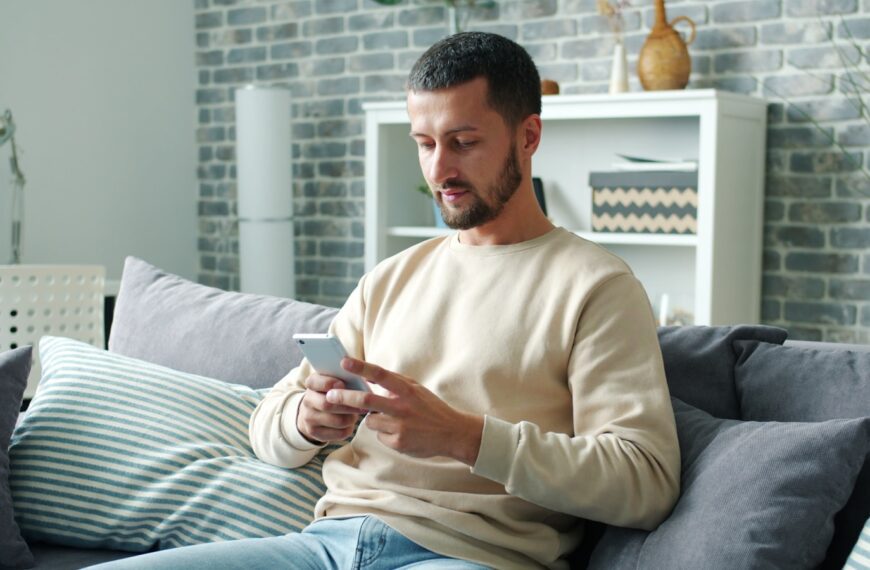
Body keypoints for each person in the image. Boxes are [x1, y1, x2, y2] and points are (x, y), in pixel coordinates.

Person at [90, 31, 679, 570]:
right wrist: (307, 420)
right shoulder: (391, 278)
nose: (438, 169)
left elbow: (644, 483)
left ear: (528, 136)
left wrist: (463, 437)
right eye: (423, 144)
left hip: (468, 555)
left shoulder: (596, 287)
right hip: (321, 545)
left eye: (463, 142)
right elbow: (268, 423)